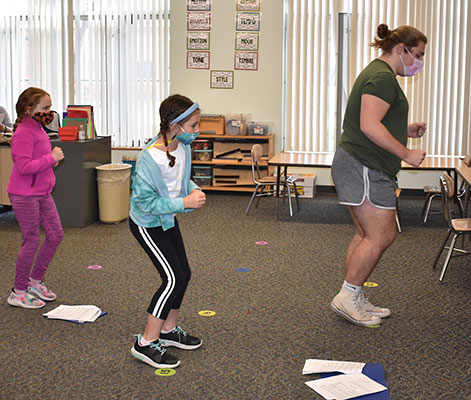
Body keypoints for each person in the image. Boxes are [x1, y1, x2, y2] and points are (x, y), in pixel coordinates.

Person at [330, 24, 428, 327]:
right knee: (381, 235)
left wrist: (404, 130)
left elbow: (372, 122)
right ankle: (348, 296)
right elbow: (370, 126)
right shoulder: (383, 77)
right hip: (364, 165)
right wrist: (406, 153)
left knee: (364, 235)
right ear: (401, 49)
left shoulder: (378, 73)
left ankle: (353, 295)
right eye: (419, 54)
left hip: (359, 162)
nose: (419, 61)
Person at [129, 94, 206, 368]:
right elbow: (144, 202)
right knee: (172, 278)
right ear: (175, 126)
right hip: (147, 223)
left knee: (184, 274)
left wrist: (192, 190)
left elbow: (181, 180)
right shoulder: (149, 158)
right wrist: (183, 203)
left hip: (167, 219)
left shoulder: (182, 148)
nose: (197, 131)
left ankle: (168, 330)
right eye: (193, 126)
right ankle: (146, 342)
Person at [7, 87, 65, 309]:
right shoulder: (23, 132)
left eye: (50, 107)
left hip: (42, 192)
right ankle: (18, 291)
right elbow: (23, 166)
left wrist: (49, 160)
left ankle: (34, 282)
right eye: (45, 108)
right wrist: (50, 159)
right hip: (24, 195)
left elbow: (36, 160)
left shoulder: (38, 128)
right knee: (30, 240)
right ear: (29, 109)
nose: (49, 112)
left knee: (55, 235)